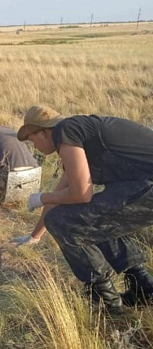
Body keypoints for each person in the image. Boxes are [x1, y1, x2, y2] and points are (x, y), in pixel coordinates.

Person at [16, 105, 153, 310]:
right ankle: (143, 287)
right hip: (143, 187)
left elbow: (80, 194)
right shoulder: (79, 140)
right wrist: (35, 236)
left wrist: (41, 197)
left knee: (70, 220)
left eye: (32, 139)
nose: (34, 146)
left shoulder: (67, 130)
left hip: (146, 187)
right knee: (96, 216)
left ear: (42, 131)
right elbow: (60, 198)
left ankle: (105, 301)